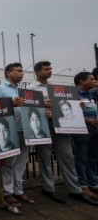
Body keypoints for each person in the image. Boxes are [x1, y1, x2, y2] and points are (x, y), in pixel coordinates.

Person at [27, 61, 98, 206]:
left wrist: (77, 105)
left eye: (50, 68)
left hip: (61, 125)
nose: (50, 71)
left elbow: (66, 105)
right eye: (46, 69)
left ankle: (75, 189)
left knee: (68, 157)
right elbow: (27, 108)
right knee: (45, 158)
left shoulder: (56, 88)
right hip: (43, 125)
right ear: (37, 72)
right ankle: (48, 188)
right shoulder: (31, 89)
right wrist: (41, 106)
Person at [0, 62, 35, 207]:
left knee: (21, 163)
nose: (22, 73)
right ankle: (7, 192)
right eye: (18, 71)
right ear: (8, 73)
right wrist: (11, 103)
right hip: (10, 130)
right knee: (9, 163)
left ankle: (18, 190)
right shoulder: (0, 89)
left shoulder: (24, 90)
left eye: (22, 71)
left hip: (25, 130)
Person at [71, 72, 98, 198]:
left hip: (94, 129)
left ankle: (93, 182)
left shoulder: (91, 94)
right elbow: (68, 113)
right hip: (82, 130)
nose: (94, 81)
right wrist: (86, 120)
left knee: (92, 157)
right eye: (91, 79)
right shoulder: (72, 95)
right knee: (81, 157)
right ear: (82, 81)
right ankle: (82, 185)